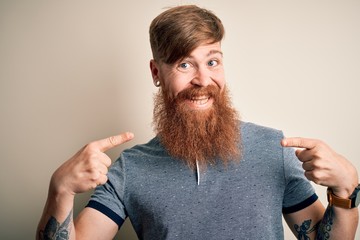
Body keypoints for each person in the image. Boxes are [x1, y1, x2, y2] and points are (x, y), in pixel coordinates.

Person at [37, 5, 359, 240]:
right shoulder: (128, 172)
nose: (203, 79)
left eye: (212, 61)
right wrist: (60, 190)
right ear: (156, 73)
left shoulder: (273, 150)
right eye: (184, 64)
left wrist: (347, 189)